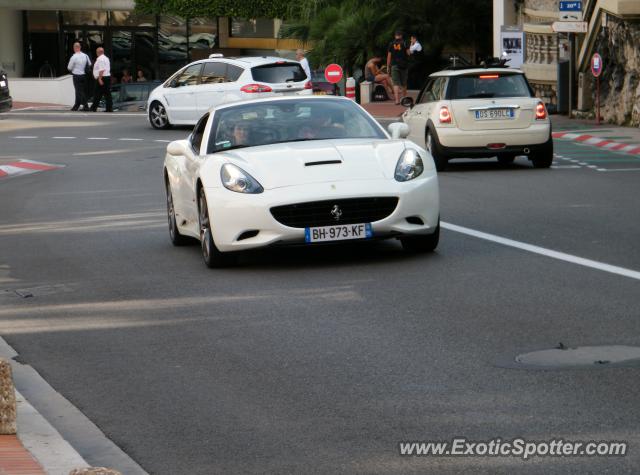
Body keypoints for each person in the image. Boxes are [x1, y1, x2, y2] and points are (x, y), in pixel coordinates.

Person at [386, 30, 410, 105]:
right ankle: (404, 99)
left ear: (395, 36)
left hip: (394, 65)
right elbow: (408, 53)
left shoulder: (391, 44)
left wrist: (387, 66)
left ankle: (397, 100)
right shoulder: (405, 43)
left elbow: (389, 56)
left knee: (395, 83)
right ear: (401, 36)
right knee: (404, 83)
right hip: (404, 65)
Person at [67, 42, 91, 111]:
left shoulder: (74, 57)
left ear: (75, 48)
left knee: (79, 91)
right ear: (80, 47)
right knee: (80, 91)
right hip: (84, 75)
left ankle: (85, 106)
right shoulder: (85, 56)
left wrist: (76, 67)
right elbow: (89, 64)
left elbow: (69, 68)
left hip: (76, 76)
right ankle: (76, 106)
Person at [90, 47, 112, 112]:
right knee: (107, 94)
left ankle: (93, 108)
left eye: (96, 52)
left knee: (97, 93)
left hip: (102, 77)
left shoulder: (100, 59)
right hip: (107, 77)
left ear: (98, 52)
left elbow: (101, 69)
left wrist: (99, 78)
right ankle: (109, 108)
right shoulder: (106, 58)